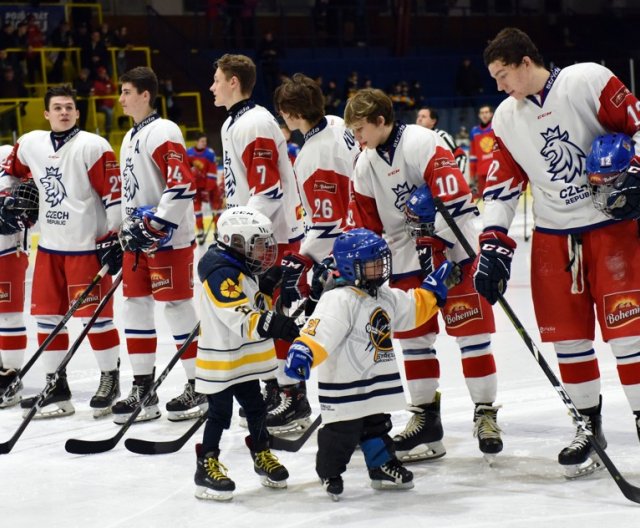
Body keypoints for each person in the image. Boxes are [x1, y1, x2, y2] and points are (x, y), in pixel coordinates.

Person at [478, 27, 640, 478]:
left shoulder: (587, 79)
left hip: (611, 229)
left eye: (503, 74)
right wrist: (492, 240)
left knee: (629, 336)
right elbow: (504, 184)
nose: (500, 86)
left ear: (525, 63)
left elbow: (637, 124)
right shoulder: (507, 119)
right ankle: (589, 426)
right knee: (568, 340)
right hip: (554, 238)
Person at [344, 88, 502, 462]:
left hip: (453, 252)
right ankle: (427, 422)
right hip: (404, 260)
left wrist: (441, 252)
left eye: (361, 128)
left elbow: (457, 201)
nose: (357, 137)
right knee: (414, 341)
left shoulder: (421, 141)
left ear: (381, 121)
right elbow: (366, 224)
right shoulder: (364, 164)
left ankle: (484, 413)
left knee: (472, 334)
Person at [284, 228, 460, 499]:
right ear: (349, 266)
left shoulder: (384, 296)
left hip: (376, 381)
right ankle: (329, 471)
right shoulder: (338, 298)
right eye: (372, 263)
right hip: (345, 385)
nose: (380, 268)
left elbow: (410, 309)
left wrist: (433, 293)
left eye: (381, 261)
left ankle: (381, 466)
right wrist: (304, 350)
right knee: (342, 431)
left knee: (378, 425)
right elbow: (321, 329)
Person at [1, 85, 123, 419]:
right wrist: (6, 199)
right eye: (57, 108)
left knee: (95, 319)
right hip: (50, 248)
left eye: (69, 107)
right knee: (46, 317)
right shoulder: (30, 143)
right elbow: (10, 172)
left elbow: (114, 194)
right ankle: (56, 387)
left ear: (78, 112)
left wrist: (116, 236)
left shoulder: (93, 146)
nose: (64, 112)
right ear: (46, 113)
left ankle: (110, 380)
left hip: (85, 248)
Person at [209, 54, 307, 434]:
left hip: (271, 240)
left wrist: (239, 237)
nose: (212, 86)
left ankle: (293, 397)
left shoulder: (254, 122)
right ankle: (275, 387)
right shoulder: (235, 121)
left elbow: (267, 190)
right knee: (260, 317)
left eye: (217, 80)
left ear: (234, 82)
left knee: (275, 315)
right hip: (256, 239)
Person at [115, 66, 206, 424]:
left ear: (144, 95)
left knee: (177, 307)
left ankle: (199, 385)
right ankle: (143, 388)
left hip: (168, 240)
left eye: (125, 91)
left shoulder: (163, 130)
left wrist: (156, 224)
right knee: (135, 306)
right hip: (137, 241)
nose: (120, 98)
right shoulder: (129, 136)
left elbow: (182, 184)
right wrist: (123, 231)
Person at [193, 206, 297, 501]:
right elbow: (238, 316)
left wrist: (265, 287)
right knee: (219, 413)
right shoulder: (220, 273)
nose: (265, 251)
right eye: (259, 244)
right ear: (236, 241)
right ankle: (206, 466)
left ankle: (261, 454)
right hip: (222, 360)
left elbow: (253, 304)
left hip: (243, 359)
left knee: (256, 409)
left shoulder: (240, 267)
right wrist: (272, 324)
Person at [273, 73, 358, 312]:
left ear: (296, 114)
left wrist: (301, 258)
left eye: (284, 111)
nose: (282, 116)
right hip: (360, 236)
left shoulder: (313, 157)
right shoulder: (335, 122)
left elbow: (330, 222)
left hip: (340, 256)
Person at [0, 143, 34, 407]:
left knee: (7, 313)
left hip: (7, 249)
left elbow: (33, 195)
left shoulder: (9, 154)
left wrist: (17, 211)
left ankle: (9, 375)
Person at [186, 133, 221, 244]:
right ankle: (200, 231)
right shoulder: (189, 153)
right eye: (202, 141)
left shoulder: (209, 154)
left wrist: (208, 189)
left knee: (216, 208)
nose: (204, 143)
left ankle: (218, 230)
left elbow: (212, 172)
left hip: (209, 187)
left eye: (205, 141)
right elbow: (186, 168)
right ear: (197, 141)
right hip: (196, 188)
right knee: (197, 210)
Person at [416, 106, 468, 175]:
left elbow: (460, 156)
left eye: (423, 116)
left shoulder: (441, 136)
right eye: (418, 116)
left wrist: (457, 177)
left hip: (439, 182)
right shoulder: (413, 139)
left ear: (433, 121)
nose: (419, 119)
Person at [468, 105, 494, 199]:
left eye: (486, 112)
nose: (484, 115)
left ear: (491, 114)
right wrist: (472, 175)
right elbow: (473, 156)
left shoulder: (496, 127)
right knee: (482, 199)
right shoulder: (474, 131)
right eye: (482, 113)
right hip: (481, 171)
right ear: (479, 115)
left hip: (495, 170)